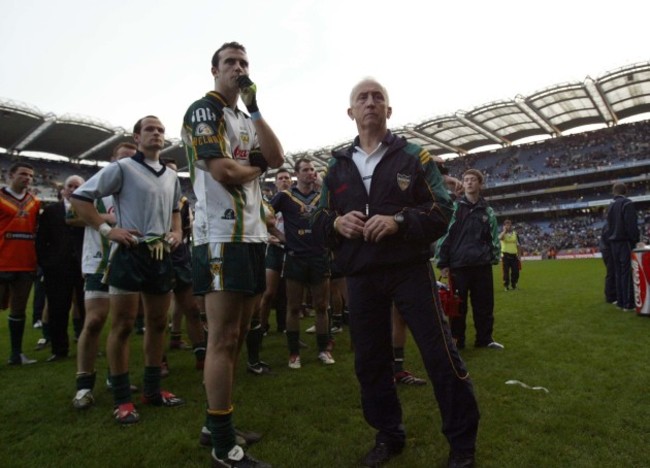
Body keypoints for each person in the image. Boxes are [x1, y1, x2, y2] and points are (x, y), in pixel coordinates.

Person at [313, 78, 479, 468]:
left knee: (440, 355)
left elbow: (443, 209)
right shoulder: (335, 168)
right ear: (350, 112)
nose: (370, 102)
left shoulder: (415, 158)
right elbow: (316, 218)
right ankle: (389, 435)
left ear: (389, 110)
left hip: (409, 271)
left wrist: (399, 221)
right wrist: (336, 225)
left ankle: (462, 445)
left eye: (378, 97)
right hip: (361, 276)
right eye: (362, 98)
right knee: (370, 362)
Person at [181, 41, 283, 468]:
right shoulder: (204, 111)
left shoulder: (244, 116)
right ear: (214, 70)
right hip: (220, 236)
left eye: (244, 63)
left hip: (252, 238)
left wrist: (257, 110)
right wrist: (257, 167)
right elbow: (223, 172)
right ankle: (224, 447)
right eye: (230, 63)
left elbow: (277, 155)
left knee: (238, 336)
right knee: (222, 339)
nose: (238, 69)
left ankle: (215, 426)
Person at [71, 116, 185, 425]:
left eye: (161, 129)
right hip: (130, 253)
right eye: (149, 129)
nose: (157, 133)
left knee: (159, 323)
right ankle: (122, 398)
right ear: (137, 137)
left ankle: (151, 389)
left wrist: (177, 233)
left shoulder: (172, 176)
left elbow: (176, 210)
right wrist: (108, 230)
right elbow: (79, 198)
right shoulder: (122, 168)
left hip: (160, 254)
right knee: (121, 325)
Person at [72, 142, 137, 410]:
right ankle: (84, 386)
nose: (126, 165)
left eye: (132, 160)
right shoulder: (97, 187)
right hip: (98, 262)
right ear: (112, 160)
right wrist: (104, 222)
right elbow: (72, 214)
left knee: (123, 324)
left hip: (126, 261)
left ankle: (115, 376)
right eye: (122, 159)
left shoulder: (138, 189)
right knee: (96, 320)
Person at [272, 158, 334, 369]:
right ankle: (294, 353)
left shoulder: (322, 196)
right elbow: (265, 215)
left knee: (321, 306)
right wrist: (278, 235)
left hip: (319, 256)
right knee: (294, 307)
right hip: (295, 256)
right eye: (305, 170)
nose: (310, 173)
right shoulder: (285, 196)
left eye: (312, 169)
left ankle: (323, 349)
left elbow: (337, 215)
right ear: (297, 174)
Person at [436, 169, 503, 351]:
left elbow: (494, 238)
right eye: (466, 180)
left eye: (473, 180)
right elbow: (445, 236)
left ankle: (485, 339)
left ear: (480, 184)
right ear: (463, 185)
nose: (469, 183)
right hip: (459, 266)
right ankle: (457, 340)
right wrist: (443, 263)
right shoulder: (455, 209)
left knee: (484, 305)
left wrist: (492, 257)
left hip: (482, 266)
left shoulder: (487, 211)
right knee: (458, 307)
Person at [36, 175, 86, 362]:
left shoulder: (89, 210)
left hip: (83, 266)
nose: (73, 189)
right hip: (57, 268)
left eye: (77, 186)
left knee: (85, 308)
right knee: (58, 308)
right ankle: (59, 349)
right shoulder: (50, 211)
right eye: (70, 186)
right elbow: (41, 240)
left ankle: (86, 344)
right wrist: (47, 264)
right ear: (63, 190)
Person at [0, 162, 40, 365]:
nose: (27, 178)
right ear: (10, 175)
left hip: (25, 263)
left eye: (31, 176)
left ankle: (16, 354)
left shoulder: (34, 202)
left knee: (19, 310)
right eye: (23, 174)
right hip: (1, 262)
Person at [258, 169, 292, 335]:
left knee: (286, 292)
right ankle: (261, 327)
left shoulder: (295, 202)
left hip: (290, 249)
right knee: (269, 292)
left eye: (287, 178)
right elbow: (258, 223)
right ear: (276, 182)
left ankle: (284, 326)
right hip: (274, 249)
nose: (284, 181)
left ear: (291, 182)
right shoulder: (269, 204)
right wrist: (266, 237)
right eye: (281, 178)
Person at [606, 182, 640, 311]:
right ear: (625, 191)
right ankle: (628, 303)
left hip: (613, 243)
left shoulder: (610, 206)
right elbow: (631, 224)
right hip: (625, 241)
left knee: (618, 272)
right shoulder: (627, 203)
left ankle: (620, 302)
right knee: (626, 272)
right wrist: (636, 239)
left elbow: (608, 226)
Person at [499, 219, 521, 291]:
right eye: (507, 225)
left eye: (509, 224)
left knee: (516, 272)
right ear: (504, 226)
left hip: (514, 255)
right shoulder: (503, 233)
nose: (508, 226)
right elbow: (500, 238)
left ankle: (514, 285)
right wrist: (504, 231)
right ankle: (506, 286)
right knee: (506, 272)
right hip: (505, 256)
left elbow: (518, 245)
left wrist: (519, 256)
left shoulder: (515, 234)